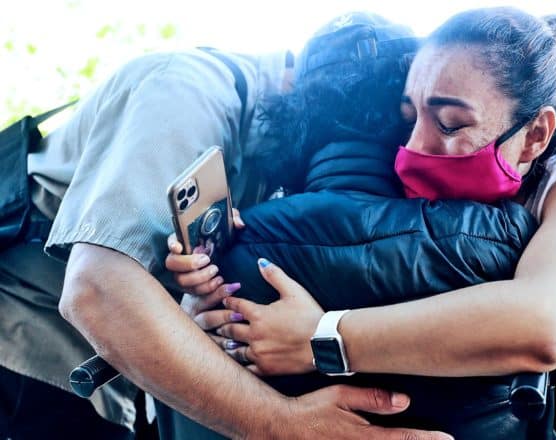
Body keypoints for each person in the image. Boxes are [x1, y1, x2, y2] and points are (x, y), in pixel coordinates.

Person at [168, 7, 556, 439]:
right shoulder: (464, 200)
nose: (416, 147)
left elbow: (545, 325)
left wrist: (320, 339)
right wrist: (223, 280)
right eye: (410, 119)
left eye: (451, 125)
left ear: (535, 133)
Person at [16, 15, 448, 440]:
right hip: (28, 349)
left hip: (125, 375)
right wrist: (282, 423)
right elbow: (97, 291)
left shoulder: (281, 148)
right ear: (300, 96)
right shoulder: (181, 94)